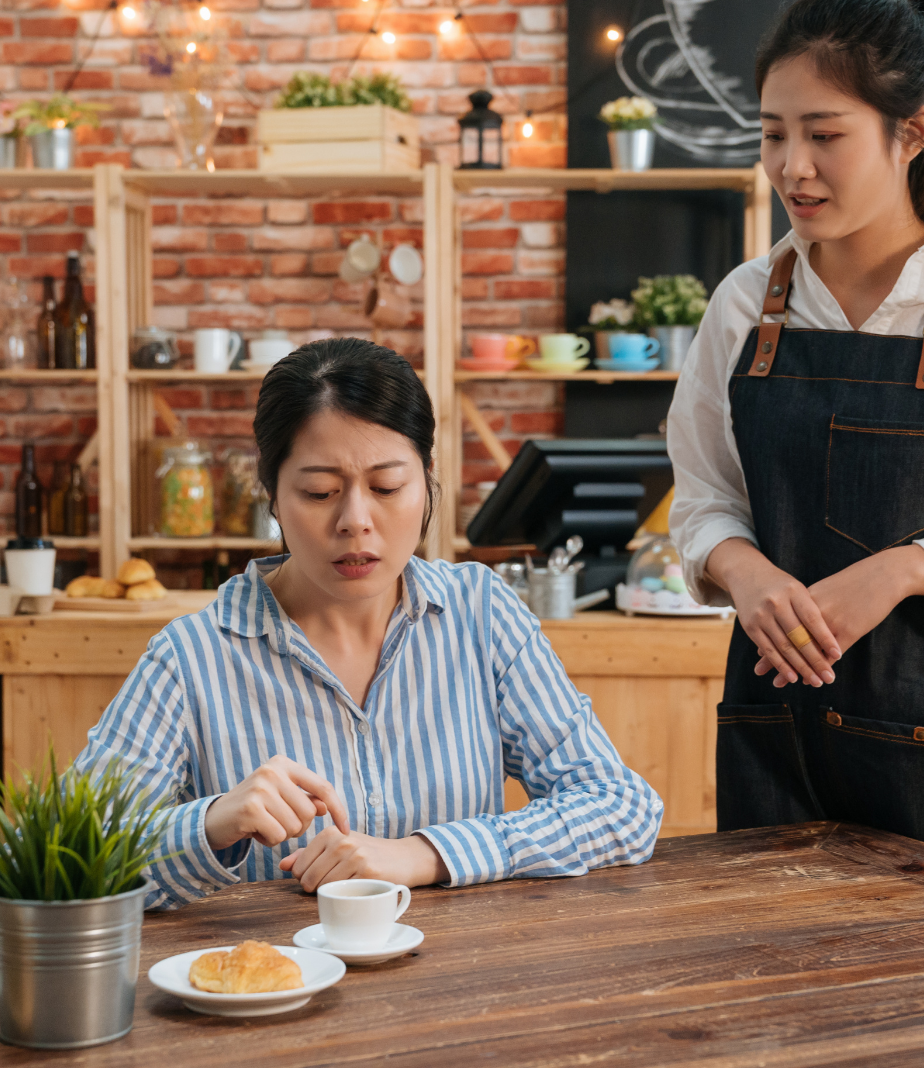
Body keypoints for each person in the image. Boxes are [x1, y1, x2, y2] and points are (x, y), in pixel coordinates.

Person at [668, 0, 924, 879]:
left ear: (913, 133)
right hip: (782, 742)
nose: (792, 166)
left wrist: (902, 571)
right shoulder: (745, 304)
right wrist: (741, 567)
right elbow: (703, 498)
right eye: (774, 133)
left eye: (824, 134)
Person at [77, 338, 663, 909]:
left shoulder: (480, 614)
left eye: (387, 487)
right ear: (273, 497)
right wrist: (208, 825)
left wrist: (426, 854)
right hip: (277, 990)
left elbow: (621, 807)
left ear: (427, 482)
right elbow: (72, 860)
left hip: (466, 986)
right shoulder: (192, 656)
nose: (356, 520)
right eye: (319, 491)